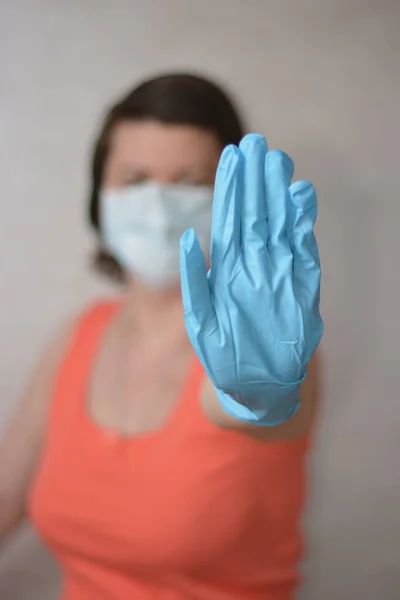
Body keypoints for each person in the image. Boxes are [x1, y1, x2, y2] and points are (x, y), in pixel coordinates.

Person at [0, 73, 322, 600]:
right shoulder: (79, 334)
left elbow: (254, 406)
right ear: (100, 193)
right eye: (135, 178)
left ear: (229, 199)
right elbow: (7, 494)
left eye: (189, 181)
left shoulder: (266, 348)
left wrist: (259, 395)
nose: (159, 204)